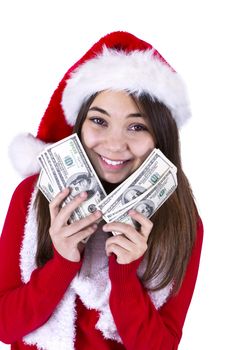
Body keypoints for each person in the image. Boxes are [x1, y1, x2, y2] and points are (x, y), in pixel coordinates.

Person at [0, 31, 203, 350]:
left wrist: (125, 274)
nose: (114, 143)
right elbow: (6, 327)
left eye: (137, 126)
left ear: (160, 137)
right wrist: (63, 262)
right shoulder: (31, 196)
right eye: (99, 121)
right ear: (79, 125)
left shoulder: (182, 221)